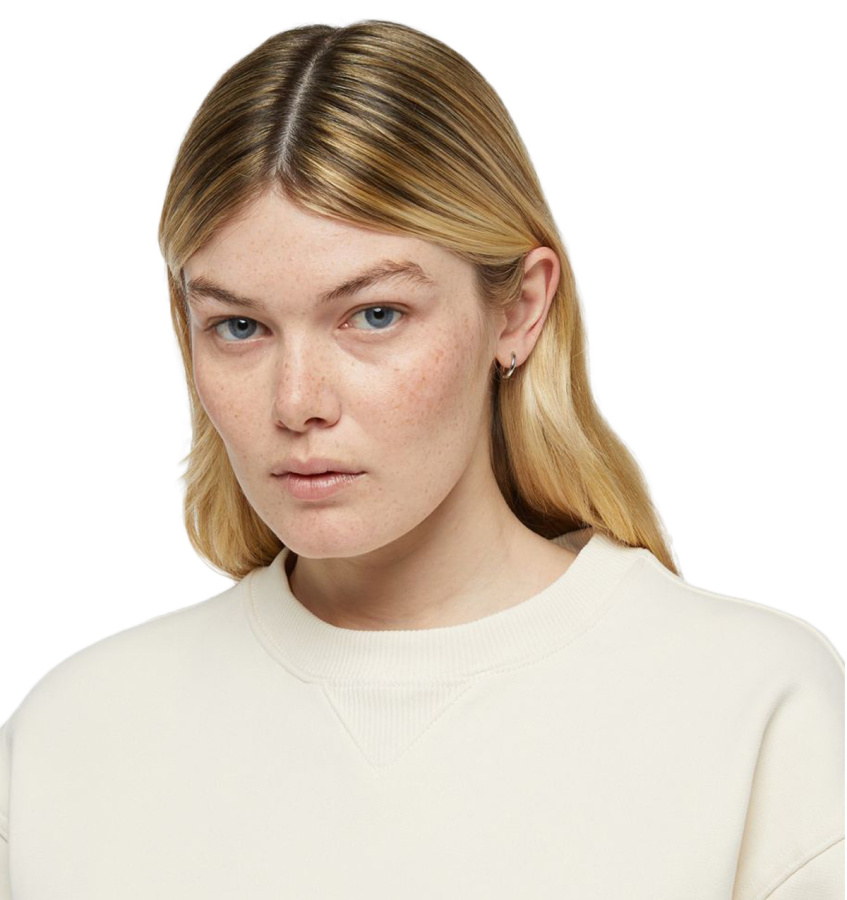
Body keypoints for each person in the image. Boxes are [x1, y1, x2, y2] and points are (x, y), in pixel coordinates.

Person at [0, 19, 842, 899]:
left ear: (518, 311)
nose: (297, 402)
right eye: (239, 326)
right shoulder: (69, 744)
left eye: (374, 315)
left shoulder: (752, 713)